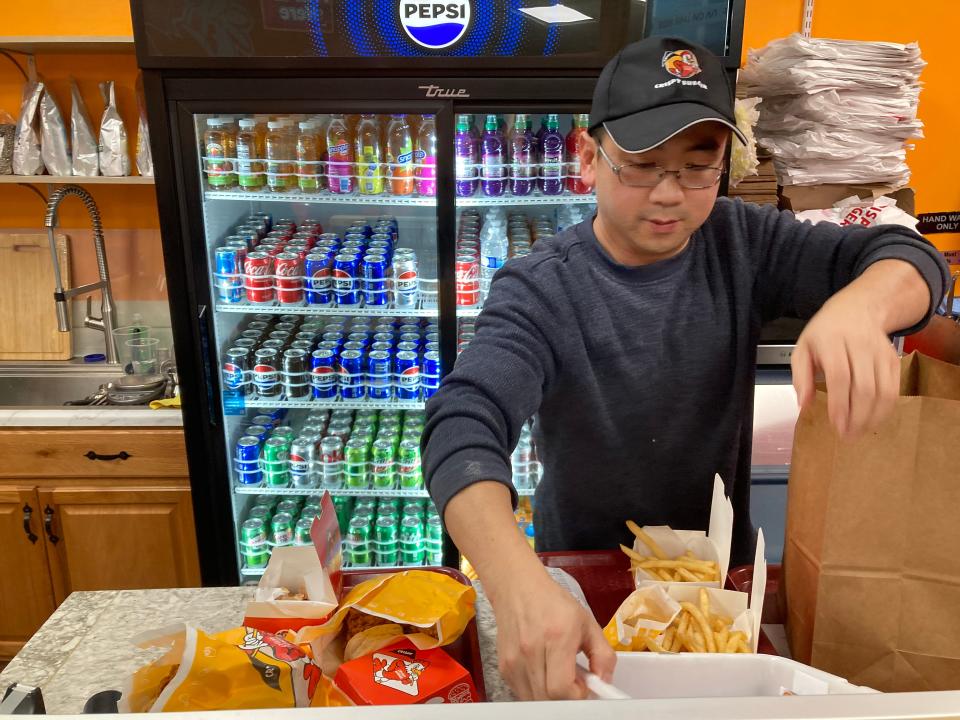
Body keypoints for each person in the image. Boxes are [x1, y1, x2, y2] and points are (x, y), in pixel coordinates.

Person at [422, 36, 949, 701]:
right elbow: (463, 423)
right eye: (641, 166)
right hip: (584, 585)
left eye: (699, 167)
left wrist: (863, 306)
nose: (670, 194)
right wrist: (515, 581)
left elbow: (904, 255)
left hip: (718, 590)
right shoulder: (540, 289)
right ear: (588, 158)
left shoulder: (741, 241)